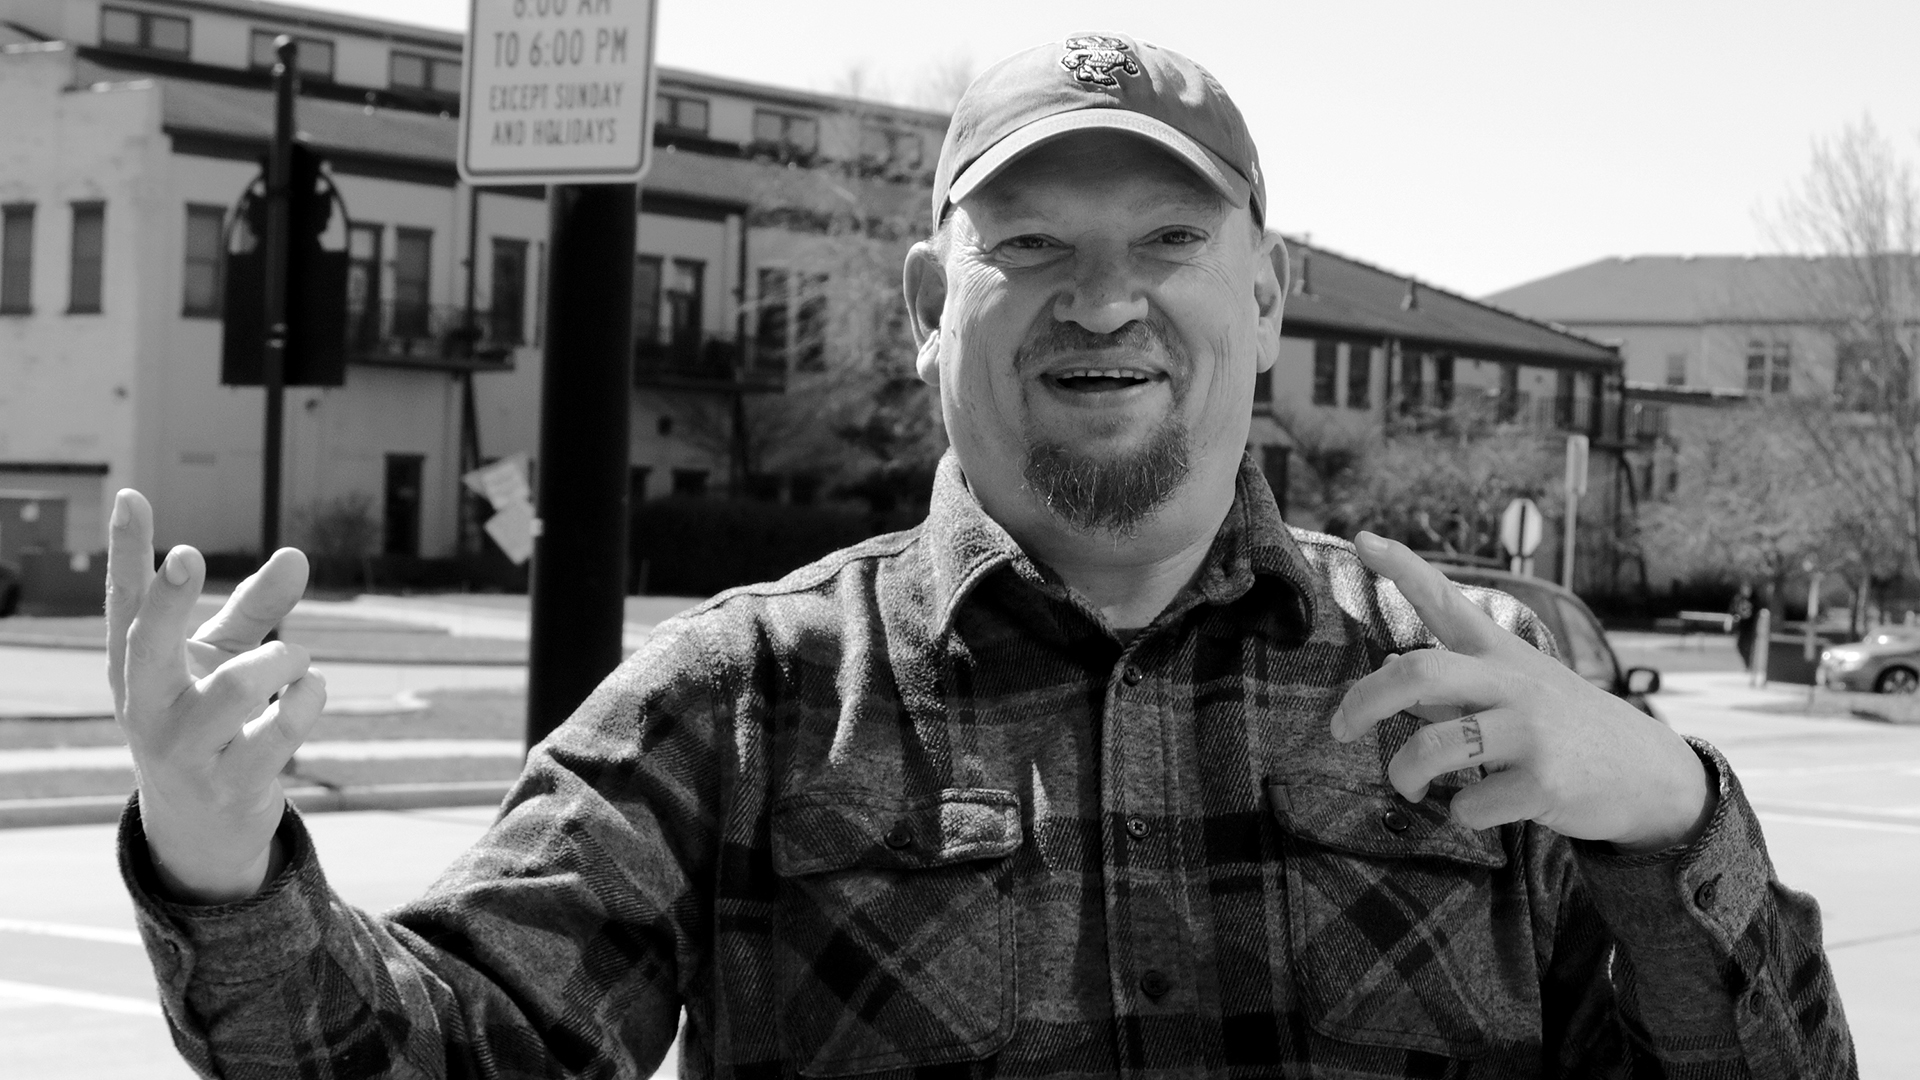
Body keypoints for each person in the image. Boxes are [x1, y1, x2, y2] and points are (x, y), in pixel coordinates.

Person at [110, 32, 1852, 1078]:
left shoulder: (1485, 669)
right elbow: (454, 1055)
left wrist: (1668, 812)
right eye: (1032, 243)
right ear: (933, 314)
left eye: (1171, 235)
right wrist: (220, 867)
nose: (1107, 296)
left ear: (1264, 295)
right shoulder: (744, 701)